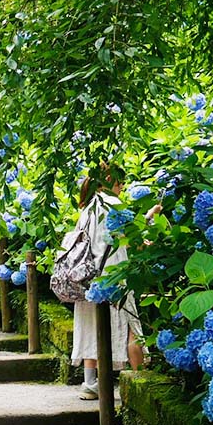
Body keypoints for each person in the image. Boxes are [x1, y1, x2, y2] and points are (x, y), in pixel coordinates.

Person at [68, 163, 145, 399]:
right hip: (115, 276)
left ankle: (91, 384)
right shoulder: (114, 206)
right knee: (131, 327)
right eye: (120, 181)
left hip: (87, 278)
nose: (122, 187)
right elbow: (136, 241)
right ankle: (140, 386)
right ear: (109, 180)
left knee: (91, 326)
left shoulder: (87, 208)